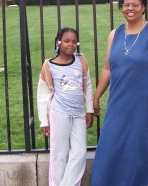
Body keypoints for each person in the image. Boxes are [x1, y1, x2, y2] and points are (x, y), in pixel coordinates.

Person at [90, 0, 148, 186]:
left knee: (139, 151)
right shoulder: (115, 34)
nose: (130, 8)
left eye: (135, 5)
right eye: (126, 4)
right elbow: (107, 69)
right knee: (110, 147)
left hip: (146, 107)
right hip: (118, 105)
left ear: (143, 7)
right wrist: (96, 96)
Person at [37, 27, 94, 186]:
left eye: (74, 41)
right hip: (59, 113)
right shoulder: (49, 65)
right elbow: (42, 95)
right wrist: (44, 121)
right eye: (67, 41)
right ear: (58, 42)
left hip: (78, 114)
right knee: (60, 155)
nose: (71, 44)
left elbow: (87, 86)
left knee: (80, 152)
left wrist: (89, 110)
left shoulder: (81, 60)